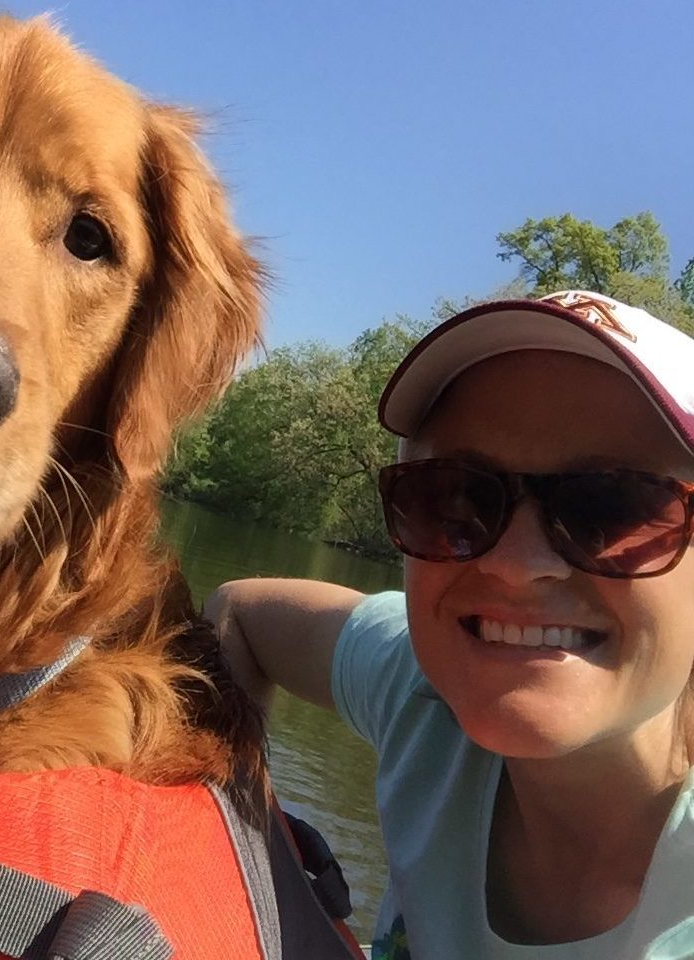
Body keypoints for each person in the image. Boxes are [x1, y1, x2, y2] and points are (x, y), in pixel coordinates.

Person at [204, 290, 694, 960]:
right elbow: (240, 613)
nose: (516, 566)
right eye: (453, 500)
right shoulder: (424, 694)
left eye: (611, 508)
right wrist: (250, 861)